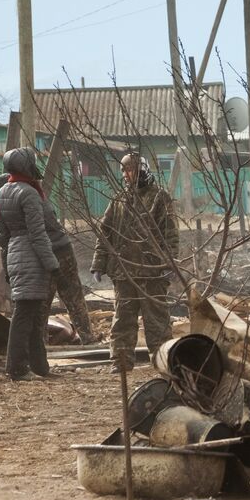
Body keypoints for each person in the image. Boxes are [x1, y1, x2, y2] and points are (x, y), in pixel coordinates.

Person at [0, 172, 95, 344]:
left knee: (51, 301)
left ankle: (46, 345)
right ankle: (62, 343)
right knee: (61, 299)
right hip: (58, 252)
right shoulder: (33, 198)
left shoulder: (25, 205)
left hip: (54, 255)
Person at [0, 148, 59, 380]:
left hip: (16, 256)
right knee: (25, 316)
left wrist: (8, 265)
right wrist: (52, 264)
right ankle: (17, 369)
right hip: (31, 256)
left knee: (30, 315)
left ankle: (40, 368)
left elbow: (3, 236)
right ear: (26, 166)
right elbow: (38, 234)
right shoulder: (29, 193)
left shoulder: (2, 193)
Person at [91, 152, 178, 371]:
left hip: (152, 272)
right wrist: (98, 263)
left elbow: (171, 235)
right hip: (124, 272)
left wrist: (169, 264)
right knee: (123, 320)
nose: (127, 174)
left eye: (130, 169)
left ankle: (162, 362)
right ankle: (120, 362)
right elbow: (105, 233)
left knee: (157, 322)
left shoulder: (160, 198)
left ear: (142, 169)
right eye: (124, 170)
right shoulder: (119, 200)